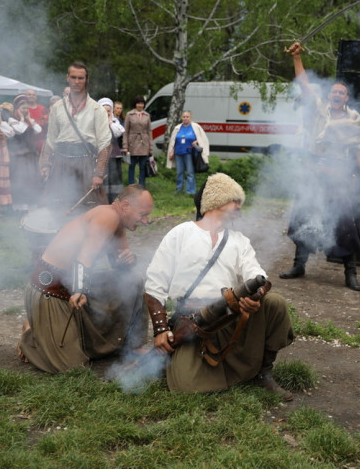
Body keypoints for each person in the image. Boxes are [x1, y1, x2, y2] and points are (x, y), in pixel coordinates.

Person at [145, 173, 295, 400]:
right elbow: (154, 284)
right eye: (235, 201)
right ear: (217, 200)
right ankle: (179, 362)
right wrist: (160, 330)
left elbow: (258, 275)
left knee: (275, 303)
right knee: (185, 386)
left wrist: (254, 296)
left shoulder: (239, 240)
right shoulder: (181, 234)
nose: (239, 207)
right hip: (195, 324)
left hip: (230, 317)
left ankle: (264, 373)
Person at [17, 184, 154, 374]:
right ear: (125, 206)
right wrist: (80, 290)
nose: (145, 221)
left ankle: (133, 344)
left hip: (72, 284)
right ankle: (32, 335)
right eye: (142, 214)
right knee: (71, 368)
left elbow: (122, 268)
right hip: (51, 292)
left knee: (133, 279)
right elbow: (85, 258)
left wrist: (130, 259)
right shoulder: (108, 216)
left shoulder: (119, 222)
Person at [279, 42, 360, 292]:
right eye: (333, 92)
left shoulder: (355, 119)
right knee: (304, 218)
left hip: (338, 175)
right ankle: (299, 266)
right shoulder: (320, 109)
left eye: (341, 93)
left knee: (345, 223)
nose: (336, 95)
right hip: (314, 172)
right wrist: (297, 57)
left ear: (347, 98)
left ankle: (350, 273)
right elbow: (304, 84)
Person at [39, 62, 111, 209]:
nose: (77, 82)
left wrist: (98, 173)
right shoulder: (57, 108)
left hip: (86, 163)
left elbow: (105, 145)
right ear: (67, 78)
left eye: (81, 78)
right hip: (60, 162)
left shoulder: (97, 110)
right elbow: (50, 139)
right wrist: (45, 164)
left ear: (86, 79)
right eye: (73, 77)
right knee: (56, 205)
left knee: (90, 207)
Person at [8, 94, 42, 211]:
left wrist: (29, 120)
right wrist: (23, 119)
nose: (25, 110)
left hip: (30, 154)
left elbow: (38, 130)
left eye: (26, 108)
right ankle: (19, 206)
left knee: (31, 179)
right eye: (22, 108)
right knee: (20, 180)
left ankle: (31, 203)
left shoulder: (30, 120)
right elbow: (20, 130)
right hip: (19, 155)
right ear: (17, 108)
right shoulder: (12, 120)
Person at [166, 110, 209, 195]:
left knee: (190, 172)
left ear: (191, 117)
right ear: (181, 118)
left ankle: (191, 191)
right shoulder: (177, 128)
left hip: (190, 153)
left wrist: (197, 141)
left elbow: (202, 139)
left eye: (187, 117)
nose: (185, 118)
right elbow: (173, 141)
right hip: (178, 152)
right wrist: (172, 151)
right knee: (179, 172)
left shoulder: (196, 127)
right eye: (184, 117)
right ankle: (179, 189)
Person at [98, 97, 125, 202]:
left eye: (108, 111)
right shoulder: (96, 122)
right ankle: (103, 199)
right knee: (103, 177)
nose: (107, 113)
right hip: (101, 155)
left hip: (114, 154)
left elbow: (118, 133)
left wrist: (109, 121)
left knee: (114, 177)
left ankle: (115, 200)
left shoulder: (115, 122)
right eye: (104, 111)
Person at [123, 95, 152, 186]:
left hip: (144, 143)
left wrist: (150, 147)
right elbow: (126, 131)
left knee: (143, 166)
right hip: (133, 143)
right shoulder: (129, 114)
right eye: (138, 103)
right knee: (132, 165)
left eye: (142, 103)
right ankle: (131, 185)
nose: (140, 105)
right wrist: (125, 146)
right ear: (135, 104)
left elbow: (149, 131)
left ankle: (141, 185)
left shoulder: (147, 115)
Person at [22, 89, 48, 153]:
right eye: (29, 94)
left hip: (40, 141)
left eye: (33, 95)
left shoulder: (42, 108)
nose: (31, 96)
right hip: (26, 142)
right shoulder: (22, 109)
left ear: (36, 97)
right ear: (25, 96)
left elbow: (47, 122)